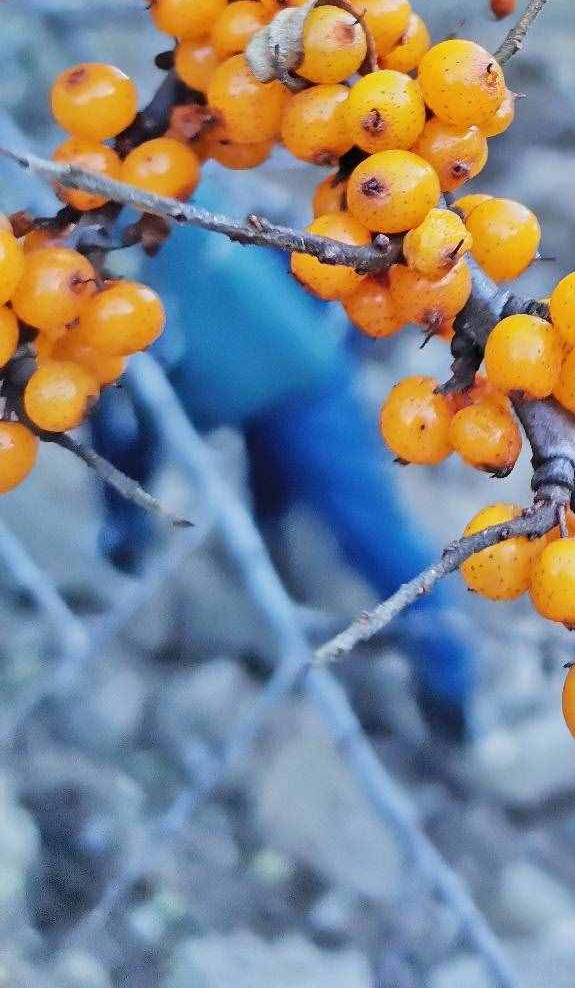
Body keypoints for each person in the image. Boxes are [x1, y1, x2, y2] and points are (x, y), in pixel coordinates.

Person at [91, 184, 475, 741]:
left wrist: (122, 523)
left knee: (371, 533)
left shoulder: (126, 244)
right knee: (276, 513)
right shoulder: (159, 194)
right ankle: (292, 607)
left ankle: (449, 681)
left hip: (306, 390)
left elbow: (125, 427)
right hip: (274, 387)